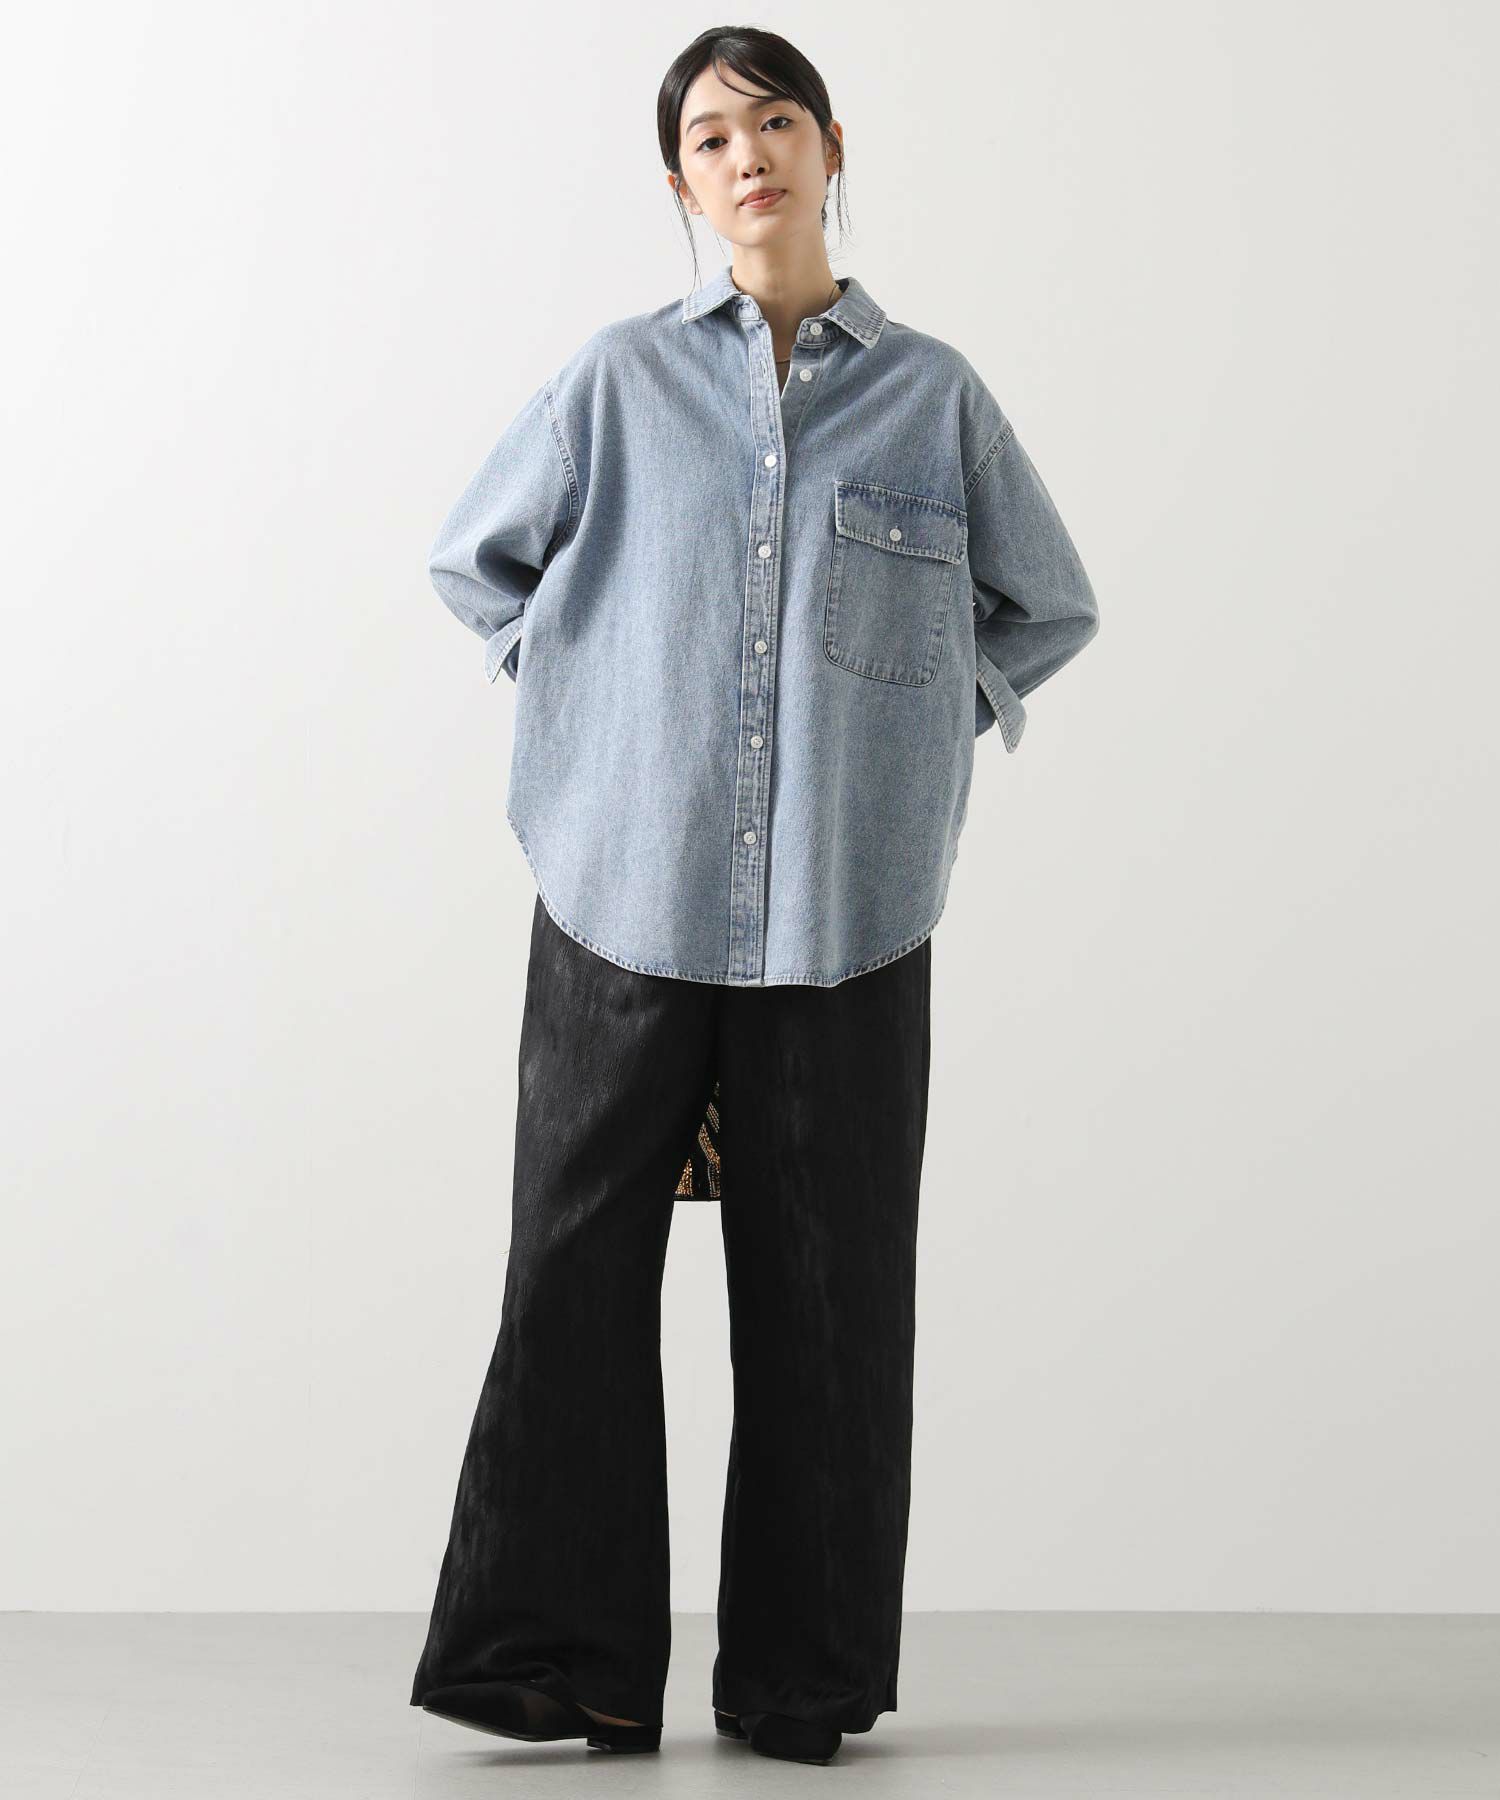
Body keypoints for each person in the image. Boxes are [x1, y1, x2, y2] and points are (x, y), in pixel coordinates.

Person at [408, 24, 1100, 1768]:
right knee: (572, 1269)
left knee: (831, 1292)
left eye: (774, 122)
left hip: (848, 913)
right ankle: (563, 1659)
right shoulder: (617, 382)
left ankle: (803, 1680)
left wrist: (917, 732)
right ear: (683, 183)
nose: (748, 156)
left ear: (830, 145)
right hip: (620, 888)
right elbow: (475, 563)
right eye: (712, 138)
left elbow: (1048, 606)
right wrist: (595, 706)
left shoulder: (932, 396)